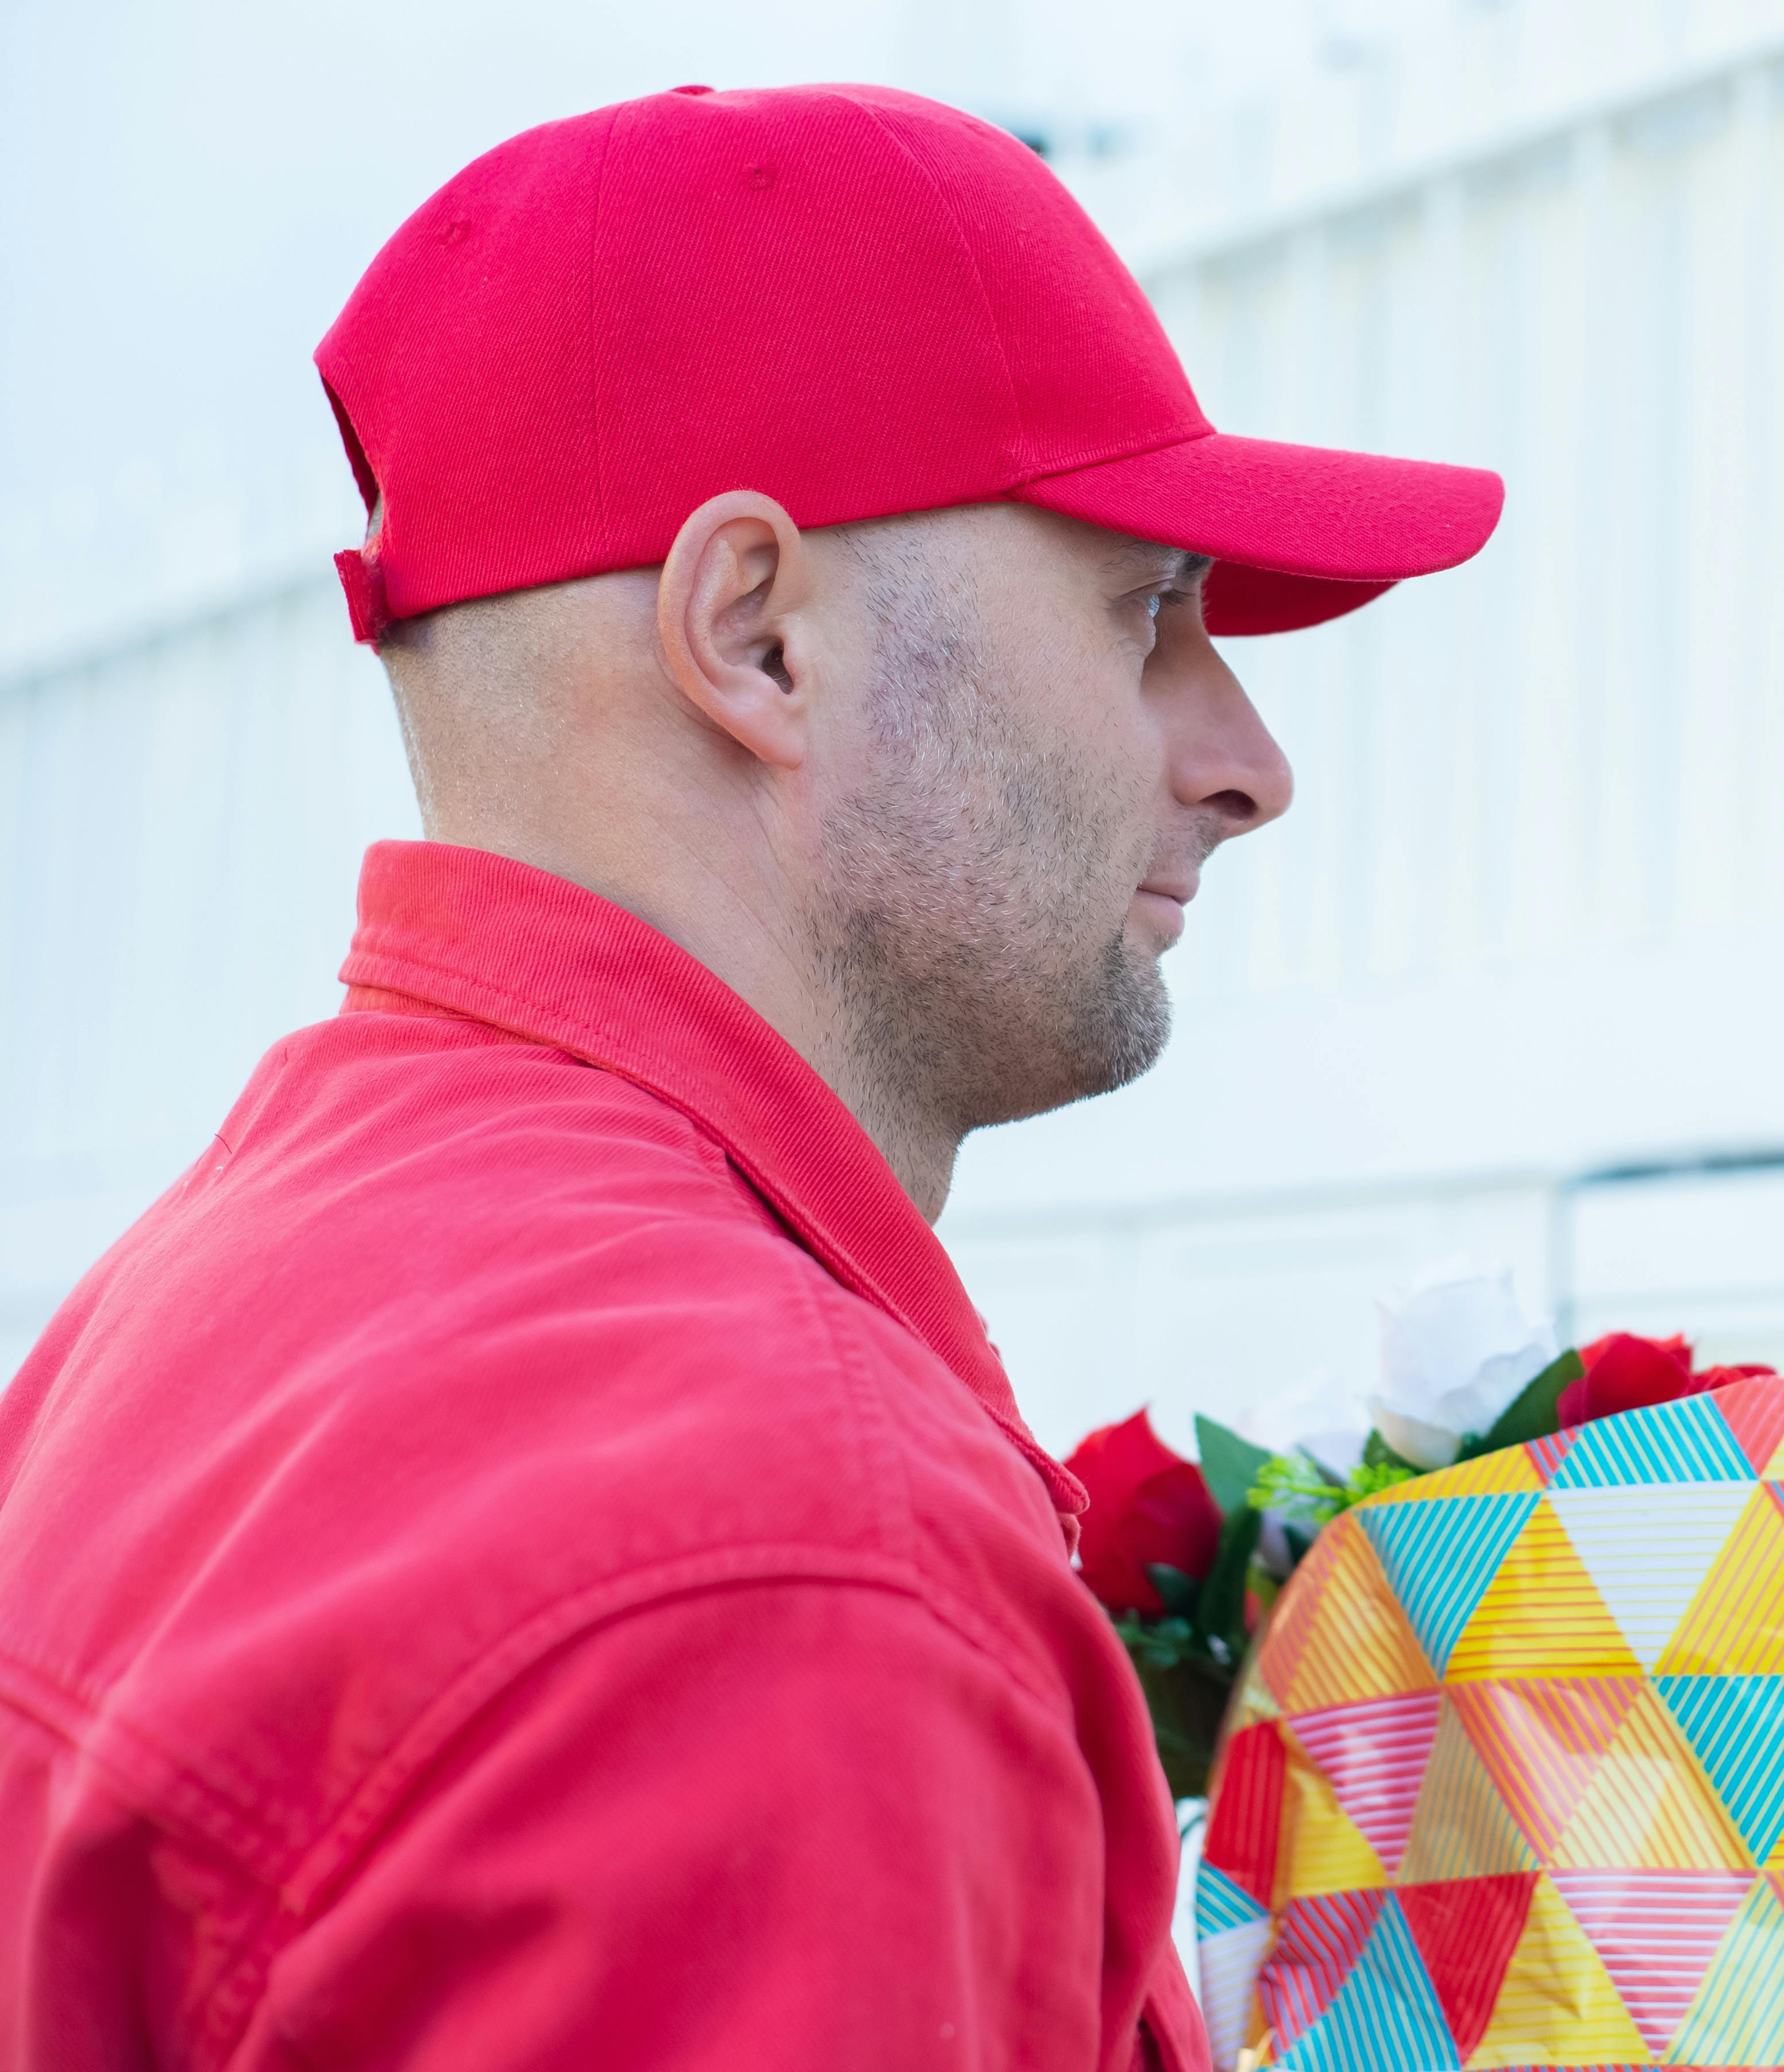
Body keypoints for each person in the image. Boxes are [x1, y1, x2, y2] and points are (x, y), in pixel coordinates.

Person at [0, 83, 1498, 2070]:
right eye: (1145, 616)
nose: (1244, 761)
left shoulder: (220, 1296)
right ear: (758, 637)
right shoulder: (786, 1566)